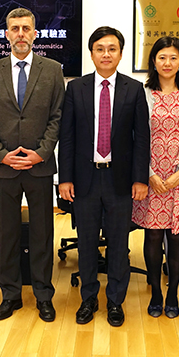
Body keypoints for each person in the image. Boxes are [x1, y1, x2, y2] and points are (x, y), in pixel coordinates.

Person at [0, 8, 65, 322]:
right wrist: (1, 154)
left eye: (26, 28)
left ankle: (43, 295)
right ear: (6, 34)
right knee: (8, 234)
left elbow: (57, 116)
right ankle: (10, 295)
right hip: (5, 168)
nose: (20, 34)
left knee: (42, 234)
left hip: (39, 167)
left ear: (35, 33)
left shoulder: (52, 69)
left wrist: (42, 152)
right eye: (15, 29)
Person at [59, 26, 150, 327]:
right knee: (86, 243)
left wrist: (140, 179)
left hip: (119, 180)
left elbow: (141, 138)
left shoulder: (133, 89)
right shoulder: (76, 88)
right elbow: (67, 137)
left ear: (121, 54)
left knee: (118, 244)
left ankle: (115, 301)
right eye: (100, 49)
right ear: (92, 54)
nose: (106, 54)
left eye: (112, 49)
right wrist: (65, 178)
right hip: (84, 179)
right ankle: (88, 299)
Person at [131, 36, 179, 319]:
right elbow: (135, 136)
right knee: (152, 235)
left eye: (173, 57)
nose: (168, 63)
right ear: (154, 61)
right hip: (150, 178)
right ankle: (156, 294)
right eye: (162, 57)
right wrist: (148, 173)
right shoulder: (142, 93)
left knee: (177, 236)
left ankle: (172, 293)